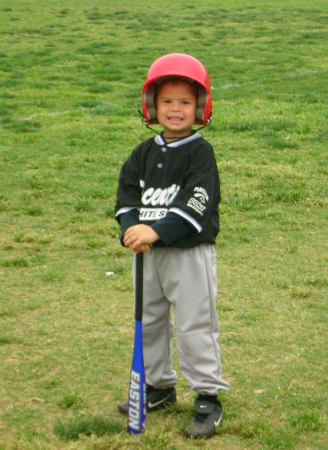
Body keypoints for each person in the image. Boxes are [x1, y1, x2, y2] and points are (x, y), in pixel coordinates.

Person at [115, 53, 229, 438]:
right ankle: (159, 385)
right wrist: (131, 228)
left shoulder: (200, 152)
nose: (175, 109)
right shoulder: (142, 154)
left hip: (189, 254)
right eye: (167, 101)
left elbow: (196, 203)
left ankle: (208, 396)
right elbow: (127, 198)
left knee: (196, 325)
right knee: (149, 322)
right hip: (147, 256)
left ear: (200, 106)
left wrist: (156, 230)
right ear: (151, 106)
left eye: (185, 102)